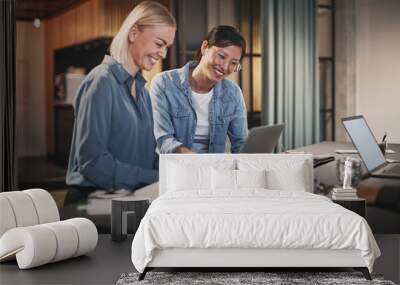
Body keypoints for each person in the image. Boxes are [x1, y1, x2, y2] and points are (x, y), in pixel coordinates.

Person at [66, 1, 176, 191]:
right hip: (91, 200)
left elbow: (147, 156)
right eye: (159, 43)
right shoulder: (101, 82)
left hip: (127, 197)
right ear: (133, 33)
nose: (163, 53)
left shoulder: (143, 92)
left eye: (167, 47)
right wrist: (152, 177)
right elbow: (93, 163)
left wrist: (176, 172)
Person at [151, 25, 248, 154]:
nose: (225, 67)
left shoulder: (233, 93)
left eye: (234, 63)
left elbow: (241, 144)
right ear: (205, 47)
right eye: (222, 56)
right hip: (174, 168)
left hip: (215, 170)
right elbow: (163, 139)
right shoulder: (164, 83)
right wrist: (196, 161)